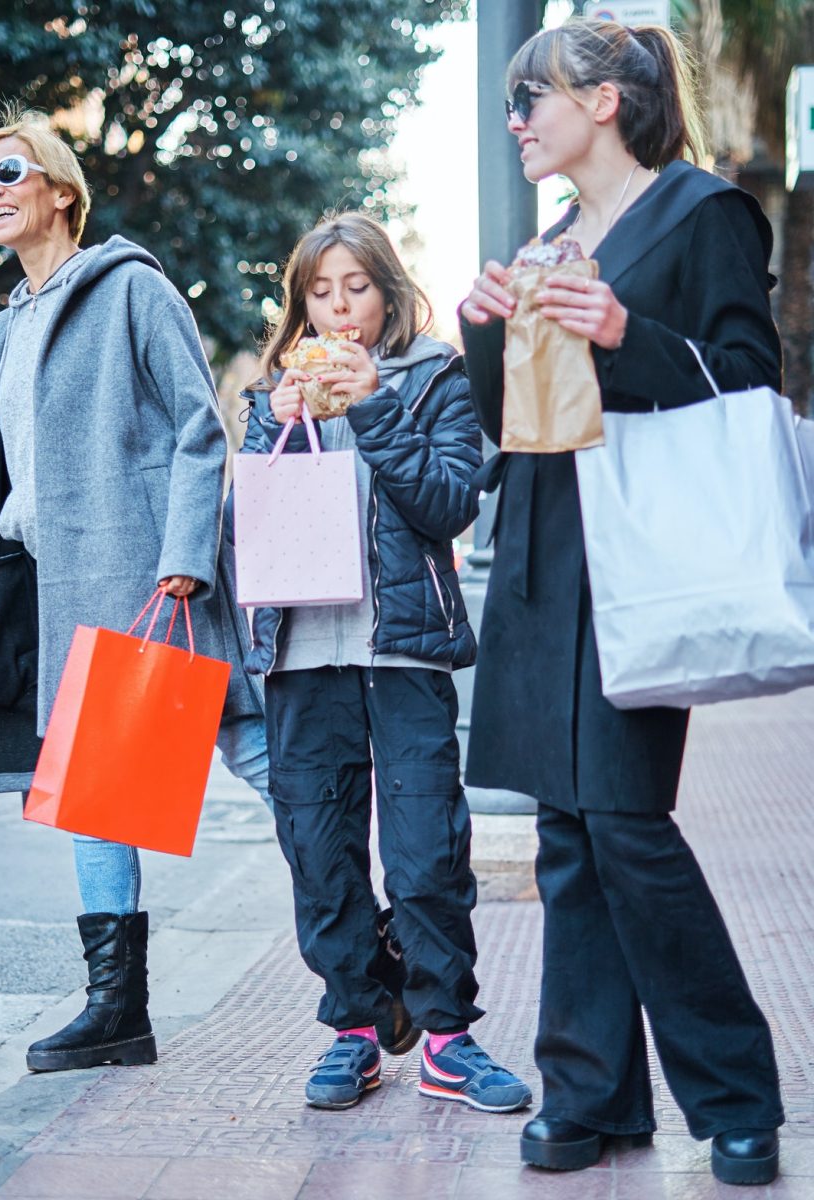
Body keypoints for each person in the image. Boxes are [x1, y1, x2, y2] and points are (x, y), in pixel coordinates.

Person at [459, 20, 784, 1186]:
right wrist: (481, 327)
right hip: (547, 557)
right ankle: (591, 1094)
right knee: (564, 829)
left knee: (626, 826)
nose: (516, 119)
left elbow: (749, 382)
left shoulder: (704, 215)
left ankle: (737, 1094)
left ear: (602, 101)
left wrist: (625, 333)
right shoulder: (547, 239)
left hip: (643, 563)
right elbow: (510, 423)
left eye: (530, 97)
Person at [0, 107, 270, 1074]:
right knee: (92, 793)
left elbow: (201, 428)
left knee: (253, 743)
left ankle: (378, 922)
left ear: (61, 190)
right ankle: (116, 1010)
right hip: (50, 582)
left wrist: (184, 552)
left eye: (9, 171)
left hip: (144, 568)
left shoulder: (127, 290)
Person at [232, 211, 531, 1114]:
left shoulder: (434, 374)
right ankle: (354, 1030)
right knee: (319, 852)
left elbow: (446, 502)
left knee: (426, 851)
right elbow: (251, 518)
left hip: (404, 652)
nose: (337, 311)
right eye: (318, 294)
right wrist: (271, 428)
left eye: (354, 288)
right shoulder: (271, 392)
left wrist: (370, 402)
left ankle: (446, 1036)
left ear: (388, 292)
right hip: (301, 657)